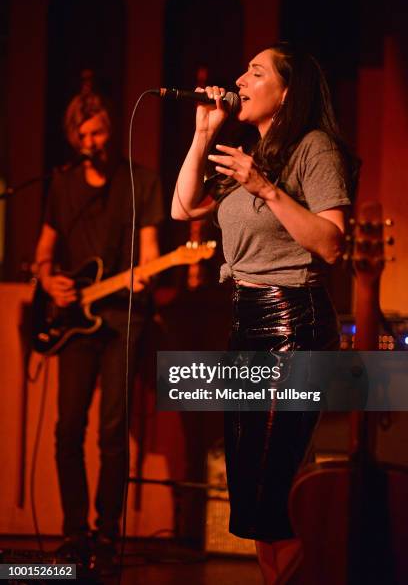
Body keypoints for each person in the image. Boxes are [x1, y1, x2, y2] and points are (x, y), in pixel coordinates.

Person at [171, 42, 357, 584]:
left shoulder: (313, 149)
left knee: (275, 496)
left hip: (293, 322)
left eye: (255, 71)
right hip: (245, 320)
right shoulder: (251, 151)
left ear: (287, 91)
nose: (240, 79)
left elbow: (331, 244)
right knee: (252, 505)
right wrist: (204, 132)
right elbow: (183, 208)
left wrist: (265, 189)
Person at [35, 91, 163, 572]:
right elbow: (44, 253)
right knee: (67, 429)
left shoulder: (141, 181)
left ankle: (107, 534)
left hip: (123, 319)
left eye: (99, 131)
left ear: (112, 130)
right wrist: (49, 282)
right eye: (83, 135)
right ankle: (74, 533)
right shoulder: (62, 186)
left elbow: (151, 252)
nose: (92, 142)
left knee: (113, 431)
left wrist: (148, 271)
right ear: (74, 139)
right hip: (75, 323)